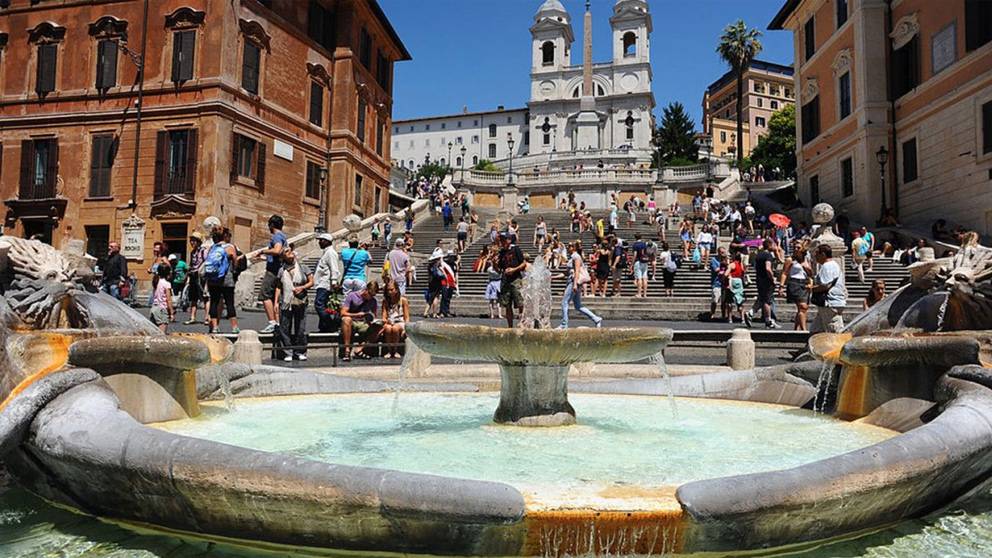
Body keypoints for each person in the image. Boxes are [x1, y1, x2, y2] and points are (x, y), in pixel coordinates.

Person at [275, 245, 313, 362]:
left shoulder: (303, 267)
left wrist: (302, 287)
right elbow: (278, 286)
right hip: (286, 300)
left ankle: (300, 351)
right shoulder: (281, 270)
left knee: (300, 327)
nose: (290, 252)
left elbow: (312, 282)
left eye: (290, 250)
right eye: (286, 251)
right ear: (283, 257)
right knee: (284, 327)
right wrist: (276, 302)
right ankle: (287, 351)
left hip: (301, 300)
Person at [559, 241, 602, 329]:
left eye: (570, 246)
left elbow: (577, 271)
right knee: (578, 305)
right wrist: (553, 277)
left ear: (574, 248)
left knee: (564, 302)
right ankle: (596, 319)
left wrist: (575, 284)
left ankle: (564, 324)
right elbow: (567, 273)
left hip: (574, 282)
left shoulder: (576, 256)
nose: (568, 247)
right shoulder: (572, 257)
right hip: (574, 282)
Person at [204, 227, 240, 334]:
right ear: (225, 236)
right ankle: (234, 327)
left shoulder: (212, 248)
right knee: (229, 303)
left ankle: (215, 327)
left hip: (213, 279)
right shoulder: (230, 247)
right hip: (227, 279)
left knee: (214, 302)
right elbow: (235, 262)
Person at [255, 215, 286, 333]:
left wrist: (262, 251)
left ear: (272, 225)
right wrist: (264, 258)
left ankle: (272, 323)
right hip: (278, 269)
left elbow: (277, 251)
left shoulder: (276, 236)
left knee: (264, 295)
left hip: (273, 272)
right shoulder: (283, 236)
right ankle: (277, 323)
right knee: (274, 299)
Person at [809, 244, 847, 333]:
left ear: (823, 254)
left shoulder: (827, 266)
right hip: (831, 303)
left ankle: (839, 346)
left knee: (834, 331)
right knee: (816, 330)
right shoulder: (832, 265)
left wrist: (810, 289)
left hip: (830, 303)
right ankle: (814, 345)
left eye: (817, 253)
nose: (815, 256)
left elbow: (825, 286)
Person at [341, 281, 381, 361]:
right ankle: (347, 350)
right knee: (346, 319)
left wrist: (372, 318)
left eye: (373, 295)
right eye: (370, 294)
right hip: (352, 321)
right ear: (366, 290)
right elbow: (343, 313)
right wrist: (356, 315)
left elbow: (374, 315)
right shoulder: (352, 295)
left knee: (380, 327)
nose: (370, 297)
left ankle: (360, 349)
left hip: (363, 322)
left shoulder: (373, 301)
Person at [313, 233, 342, 334]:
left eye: (321, 240)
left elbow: (334, 268)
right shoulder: (326, 252)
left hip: (325, 283)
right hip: (322, 282)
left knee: (319, 304)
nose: (319, 242)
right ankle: (323, 327)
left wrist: (334, 281)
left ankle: (331, 324)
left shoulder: (330, 253)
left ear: (327, 241)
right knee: (324, 305)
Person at [779, 242, 811, 331]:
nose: (796, 249)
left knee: (802, 309)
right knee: (803, 307)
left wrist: (807, 268)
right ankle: (804, 330)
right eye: (794, 247)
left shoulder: (806, 259)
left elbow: (810, 274)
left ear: (803, 249)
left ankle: (796, 329)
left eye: (798, 247)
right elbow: (784, 273)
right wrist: (781, 286)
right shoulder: (790, 260)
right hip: (794, 283)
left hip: (804, 283)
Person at [497, 233, 526, 328]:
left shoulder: (516, 249)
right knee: (507, 304)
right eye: (501, 240)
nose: (502, 242)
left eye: (504, 240)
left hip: (516, 279)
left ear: (509, 240)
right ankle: (510, 327)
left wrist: (514, 269)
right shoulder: (501, 252)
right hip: (505, 280)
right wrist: (493, 263)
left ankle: (521, 324)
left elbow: (524, 263)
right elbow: (499, 270)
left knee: (520, 302)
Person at [753, 238, 780, 329]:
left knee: (763, 299)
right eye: (773, 244)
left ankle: (752, 313)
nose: (775, 246)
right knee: (767, 301)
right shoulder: (768, 255)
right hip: (766, 280)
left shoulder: (758, 255)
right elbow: (768, 268)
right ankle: (768, 320)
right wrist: (772, 278)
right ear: (769, 245)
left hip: (759, 279)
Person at [183, 232, 208, 325]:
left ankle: (206, 318)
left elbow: (206, 262)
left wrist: (199, 269)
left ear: (198, 241)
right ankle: (192, 317)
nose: (192, 242)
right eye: (191, 240)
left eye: (194, 240)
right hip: (193, 275)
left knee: (205, 297)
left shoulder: (203, 251)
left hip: (201, 276)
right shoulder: (192, 252)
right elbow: (192, 264)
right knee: (193, 298)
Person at [148, 264, 174, 333]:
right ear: (168, 274)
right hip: (161, 309)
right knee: (161, 335)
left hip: (154, 308)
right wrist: (171, 312)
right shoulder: (167, 284)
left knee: (154, 333)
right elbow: (168, 300)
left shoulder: (156, 281)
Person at [708, 247, 726, 321]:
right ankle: (712, 314)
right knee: (715, 300)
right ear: (718, 252)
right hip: (716, 283)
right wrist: (722, 265)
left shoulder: (725, 260)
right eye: (721, 252)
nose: (722, 254)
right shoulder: (713, 260)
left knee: (724, 301)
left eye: (723, 252)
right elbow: (715, 270)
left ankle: (723, 315)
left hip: (724, 283)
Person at [484, 252, 502, 320]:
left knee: (495, 300)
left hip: (493, 282)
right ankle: (495, 314)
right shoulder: (491, 269)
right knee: (496, 300)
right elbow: (499, 273)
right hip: (495, 282)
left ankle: (494, 314)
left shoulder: (490, 269)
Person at [631, 233, 650, 298]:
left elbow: (635, 255)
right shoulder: (644, 244)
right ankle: (645, 294)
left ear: (635, 237)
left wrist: (632, 264)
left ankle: (639, 293)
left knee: (639, 278)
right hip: (645, 261)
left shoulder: (635, 245)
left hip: (638, 261)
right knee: (644, 278)